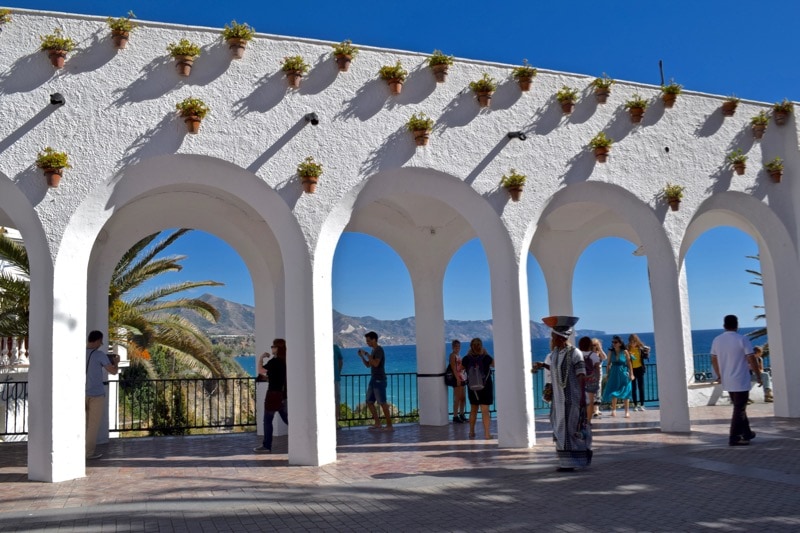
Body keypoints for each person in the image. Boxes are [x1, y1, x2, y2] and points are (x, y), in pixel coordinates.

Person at [533, 316, 591, 471]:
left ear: (561, 337)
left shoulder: (575, 353)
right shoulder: (556, 354)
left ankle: (572, 462)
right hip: (559, 401)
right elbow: (556, 370)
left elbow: (580, 375)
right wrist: (543, 365)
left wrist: (582, 399)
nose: (551, 339)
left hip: (572, 399)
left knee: (570, 429)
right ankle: (566, 461)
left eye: (553, 336)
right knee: (560, 429)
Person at [711, 315, 761, 446]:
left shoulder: (717, 340)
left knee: (739, 407)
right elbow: (751, 358)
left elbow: (714, 359)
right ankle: (734, 437)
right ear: (737, 325)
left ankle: (747, 433)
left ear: (724, 325)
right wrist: (758, 375)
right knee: (739, 409)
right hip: (741, 380)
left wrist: (719, 374)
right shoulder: (742, 339)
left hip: (727, 380)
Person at [85, 330, 119, 460]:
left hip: (80, 393)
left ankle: (76, 450)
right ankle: (88, 453)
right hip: (96, 394)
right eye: (101, 341)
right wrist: (116, 362)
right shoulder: (99, 355)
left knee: (82, 424)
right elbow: (113, 371)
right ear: (98, 340)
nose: (101, 344)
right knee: (93, 425)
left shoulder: (77, 353)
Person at [254, 339, 288, 452]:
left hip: (273, 395)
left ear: (277, 348)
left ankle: (266, 446)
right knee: (288, 419)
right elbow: (277, 377)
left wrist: (262, 357)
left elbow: (260, 370)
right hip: (282, 394)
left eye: (273, 346)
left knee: (268, 420)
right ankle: (304, 437)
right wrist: (268, 378)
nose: (271, 348)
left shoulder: (275, 361)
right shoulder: (284, 361)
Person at [358, 331, 392, 431]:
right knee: (369, 401)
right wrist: (362, 357)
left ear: (374, 339)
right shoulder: (373, 351)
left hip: (379, 380)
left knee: (382, 403)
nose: (367, 343)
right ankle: (377, 423)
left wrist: (367, 354)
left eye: (368, 341)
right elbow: (369, 365)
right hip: (373, 379)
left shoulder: (379, 350)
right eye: (366, 341)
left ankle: (390, 426)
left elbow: (376, 364)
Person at [462, 338, 494, 439]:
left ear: (471, 346)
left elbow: (461, 369)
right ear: (481, 345)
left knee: (473, 410)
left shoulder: (466, 358)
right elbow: (494, 364)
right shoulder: (486, 357)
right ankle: (487, 434)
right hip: (485, 387)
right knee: (485, 411)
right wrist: (486, 353)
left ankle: (471, 432)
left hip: (472, 388)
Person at [601, 335, 633, 418]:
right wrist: (607, 374)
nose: (613, 344)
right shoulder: (611, 352)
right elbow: (608, 364)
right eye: (613, 342)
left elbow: (629, 363)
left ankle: (627, 412)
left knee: (626, 390)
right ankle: (614, 410)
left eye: (615, 342)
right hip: (614, 373)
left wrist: (631, 374)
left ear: (620, 343)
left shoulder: (625, 351)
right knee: (613, 391)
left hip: (624, 373)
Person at [578, 336, 601, 421]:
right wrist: (597, 380)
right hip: (591, 380)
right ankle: (588, 421)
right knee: (590, 402)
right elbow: (597, 370)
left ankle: (580, 419)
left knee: (579, 400)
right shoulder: (594, 355)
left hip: (580, 380)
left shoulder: (577, 354)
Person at [627, 334, 649, 411]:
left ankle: (642, 405)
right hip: (632, 370)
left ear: (637, 341)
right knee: (633, 388)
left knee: (641, 387)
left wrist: (647, 352)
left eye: (634, 342)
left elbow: (646, 357)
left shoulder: (640, 349)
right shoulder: (628, 349)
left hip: (640, 369)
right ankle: (635, 405)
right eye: (631, 342)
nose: (632, 343)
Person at [448, 340, 467, 423]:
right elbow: (453, 368)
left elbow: (460, 367)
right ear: (452, 347)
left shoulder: (458, 355)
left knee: (463, 398)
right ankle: (455, 416)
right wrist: (458, 379)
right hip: (457, 378)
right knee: (457, 398)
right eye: (456, 346)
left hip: (462, 377)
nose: (457, 348)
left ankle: (462, 414)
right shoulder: (452, 356)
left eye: (459, 346)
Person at [591, 338, 607, 417]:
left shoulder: (599, 353)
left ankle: (596, 409)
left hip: (599, 374)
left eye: (596, 345)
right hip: (591, 374)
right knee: (592, 391)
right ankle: (593, 409)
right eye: (593, 345)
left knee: (598, 391)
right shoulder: (589, 353)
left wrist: (600, 349)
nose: (594, 347)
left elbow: (605, 357)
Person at [334, 343, 344, 424]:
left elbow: (340, 361)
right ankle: (335, 422)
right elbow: (341, 361)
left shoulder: (336, 347)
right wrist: (338, 372)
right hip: (336, 379)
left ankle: (335, 422)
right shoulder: (335, 347)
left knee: (336, 401)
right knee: (336, 401)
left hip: (335, 379)